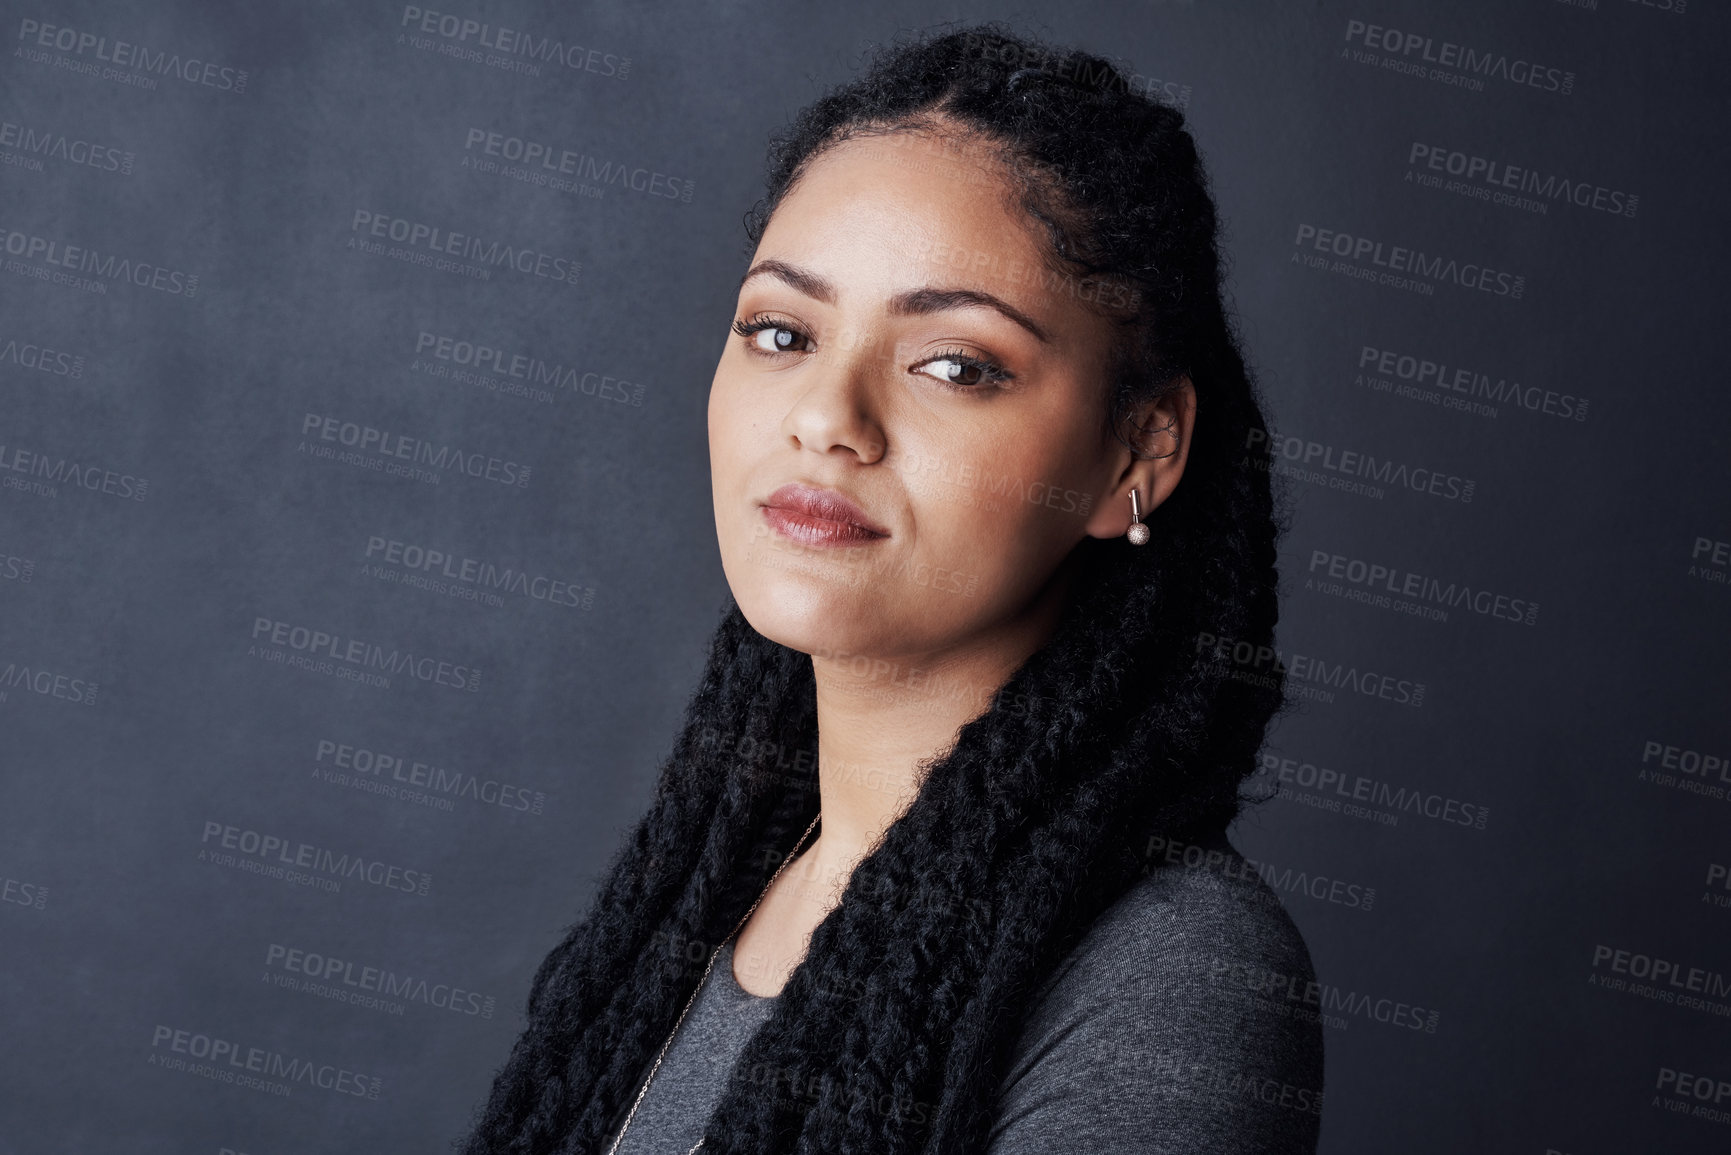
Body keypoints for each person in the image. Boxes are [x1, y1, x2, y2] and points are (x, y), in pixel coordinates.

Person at [459, 20, 1322, 1155]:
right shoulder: (702, 900)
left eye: (955, 365)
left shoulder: (1172, 970)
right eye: (781, 332)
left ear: (1139, 454)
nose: (827, 417)